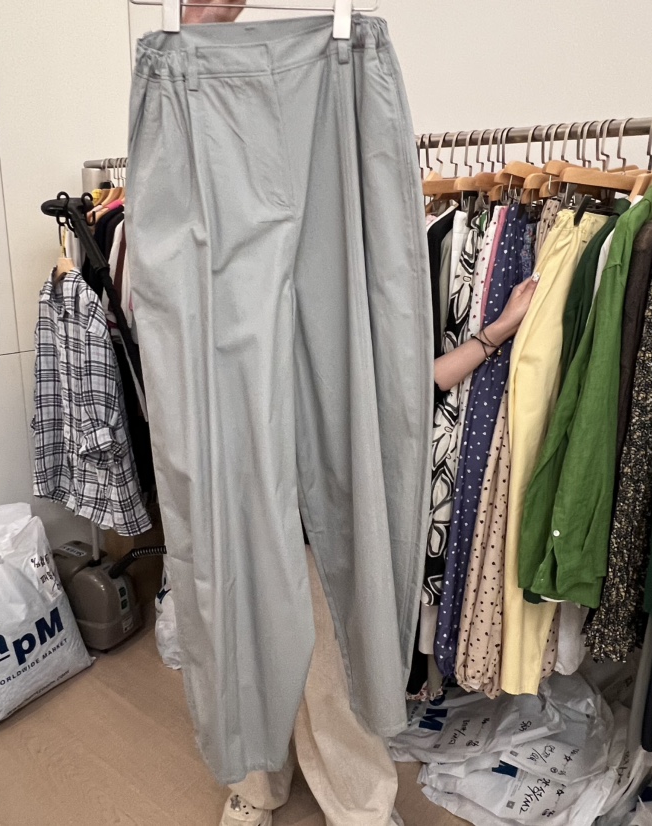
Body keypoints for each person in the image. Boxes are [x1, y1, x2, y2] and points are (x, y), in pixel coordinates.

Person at [175, 7, 539, 824]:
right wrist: (199, 32)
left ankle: (354, 801)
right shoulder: (208, 220)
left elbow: (399, 386)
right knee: (240, 630)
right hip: (241, 471)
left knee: (324, 653)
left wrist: (494, 332)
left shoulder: (360, 231)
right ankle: (258, 782)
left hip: (324, 495)